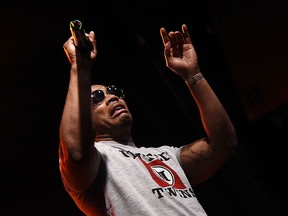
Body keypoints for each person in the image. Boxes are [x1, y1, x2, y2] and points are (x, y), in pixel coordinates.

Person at [59, 23, 238, 216]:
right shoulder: (97, 161)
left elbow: (223, 142)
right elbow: (76, 152)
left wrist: (193, 74)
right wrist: (80, 65)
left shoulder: (167, 156)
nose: (112, 97)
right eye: (97, 98)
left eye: (113, 92)